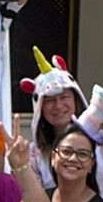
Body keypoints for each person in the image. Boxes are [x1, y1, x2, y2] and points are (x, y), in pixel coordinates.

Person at [19, 47, 86, 187]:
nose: (58, 106)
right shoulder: (34, 154)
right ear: (40, 108)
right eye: (50, 100)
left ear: (76, 99)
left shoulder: (98, 140)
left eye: (64, 97)